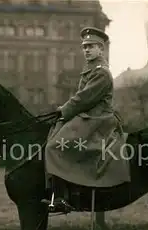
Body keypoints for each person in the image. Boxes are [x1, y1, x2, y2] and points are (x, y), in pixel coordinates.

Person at [42, 27, 131, 213]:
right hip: (87, 116)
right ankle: (57, 192)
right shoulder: (91, 69)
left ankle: (61, 197)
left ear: (101, 49)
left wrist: (63, 110)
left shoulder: (101, 72)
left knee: (54, 146)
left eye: (91, 46)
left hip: (97, 119)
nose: (87, 50)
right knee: (53, 133)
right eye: (84, 47)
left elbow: (85, 98)